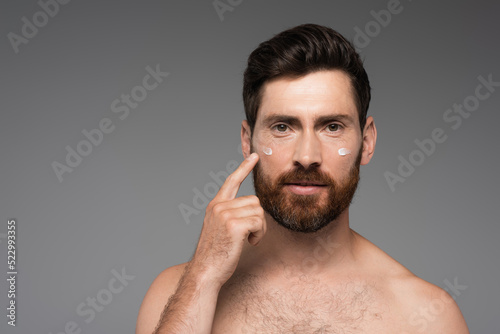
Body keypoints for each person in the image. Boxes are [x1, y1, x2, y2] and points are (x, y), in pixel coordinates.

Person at [136, 23, 469, 333]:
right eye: (282, 127)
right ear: (246, 140)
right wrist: (203, 276)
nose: (307, 156)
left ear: (366, 142)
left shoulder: (426, 315)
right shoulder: (178, 293)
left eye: (332, 127)